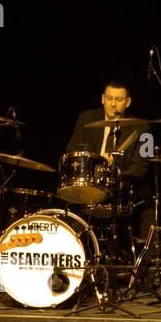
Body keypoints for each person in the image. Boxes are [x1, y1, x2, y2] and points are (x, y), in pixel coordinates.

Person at [65, 80, 154, 244]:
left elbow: (141, 166)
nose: (113, 104)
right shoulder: (85, 118)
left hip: (123, 187)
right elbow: (71, 151)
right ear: (102, 99)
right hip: (90, 184)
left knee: (148, 201)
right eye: (109, 98)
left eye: (119, 100)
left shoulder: (144, 128)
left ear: (128, 102)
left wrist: (115, 174)